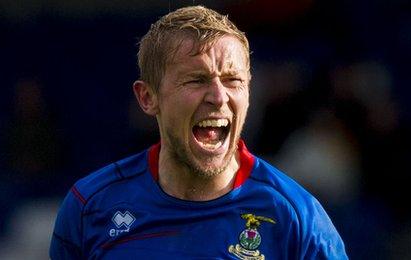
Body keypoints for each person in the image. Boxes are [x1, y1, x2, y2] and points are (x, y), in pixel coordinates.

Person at [50, 6, 347, 259]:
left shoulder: (298, 217)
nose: (218, 97)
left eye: (233, 81)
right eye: (196, 80)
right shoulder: (90, 206)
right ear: (147, 98)